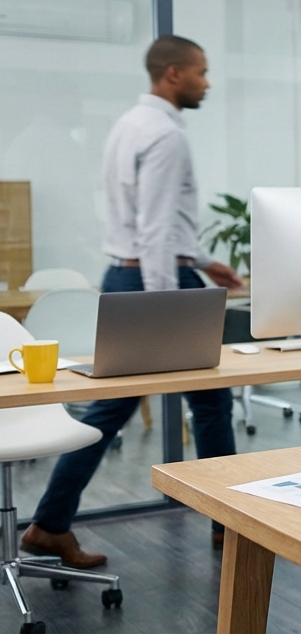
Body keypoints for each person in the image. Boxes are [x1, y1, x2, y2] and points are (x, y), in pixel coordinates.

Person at [21, 35, 244, 568]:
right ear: (172, 74)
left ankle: (51, 522)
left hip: (126, 276)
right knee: (209, 402)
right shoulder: (165, 135)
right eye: (201, 72)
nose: (206, 82)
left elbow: (147, 223)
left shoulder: (129, 126)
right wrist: (168, 300)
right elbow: (156, 228)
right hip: (154, 283)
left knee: (117, 406)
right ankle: (231, 526)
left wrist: (201, 260)